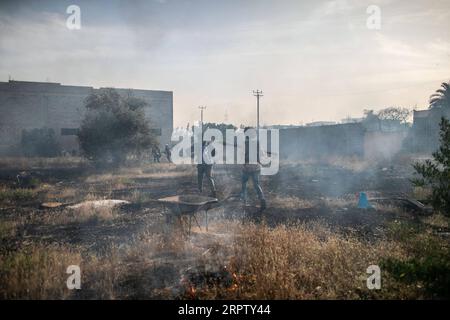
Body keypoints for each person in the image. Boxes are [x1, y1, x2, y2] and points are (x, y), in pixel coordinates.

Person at [240, 127, 266, 210]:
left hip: (247, 167)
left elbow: (241, 155)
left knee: (244, 184)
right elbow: (262, 154)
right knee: (256, 184)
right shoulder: (258, 143)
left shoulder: (244, 143)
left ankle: (244, 201)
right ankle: (262, 200)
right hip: (256, 167)